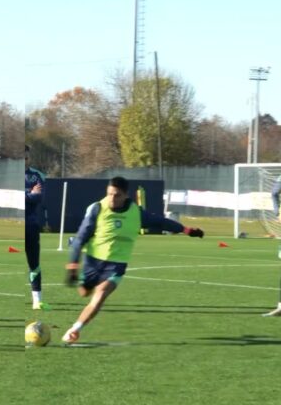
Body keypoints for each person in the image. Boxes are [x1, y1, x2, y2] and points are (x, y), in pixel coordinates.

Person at [63, 176, 204, 344]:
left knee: (100, 295)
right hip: (93, 261)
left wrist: (187, 230)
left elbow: (160, 222)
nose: (112, 199)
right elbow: (80, 238)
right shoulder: (97, 209)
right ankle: (85, 285)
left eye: (117, 195)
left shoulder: (136, 213)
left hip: (116, 265)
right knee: (84, 292)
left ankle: (75, 329)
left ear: (126, 195)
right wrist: (72, 267)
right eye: (109, 194)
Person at [24, 145, 49, 310]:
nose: (24, 161)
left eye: (26, 157)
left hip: (30, 226)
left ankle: (37, 301)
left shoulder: (37, 175)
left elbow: (38, 198)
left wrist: (26, 196)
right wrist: (29, 194)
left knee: (34, 263)